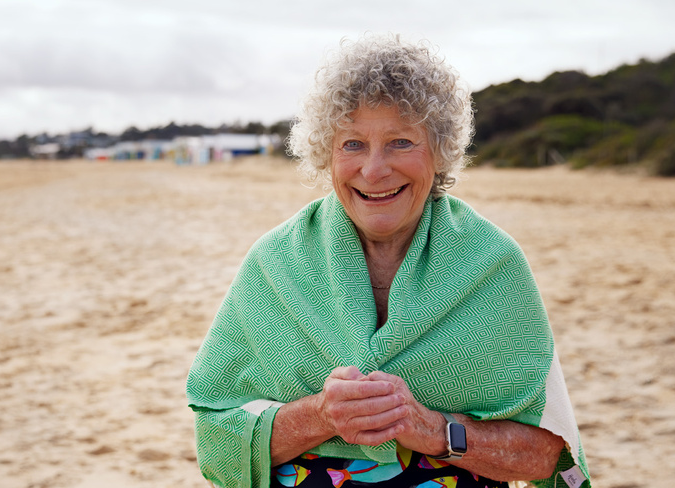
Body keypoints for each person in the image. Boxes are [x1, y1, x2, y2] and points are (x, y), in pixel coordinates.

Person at [186, 34, 591, 488]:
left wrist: (433, 430)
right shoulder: (274, 263)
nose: (374, 170)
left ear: (439, 152)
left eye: (400, 142)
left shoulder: (492, 264)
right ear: (326, 154)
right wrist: (322, 414)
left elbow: (549, 459)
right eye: (353, 144)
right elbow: (215, 442)